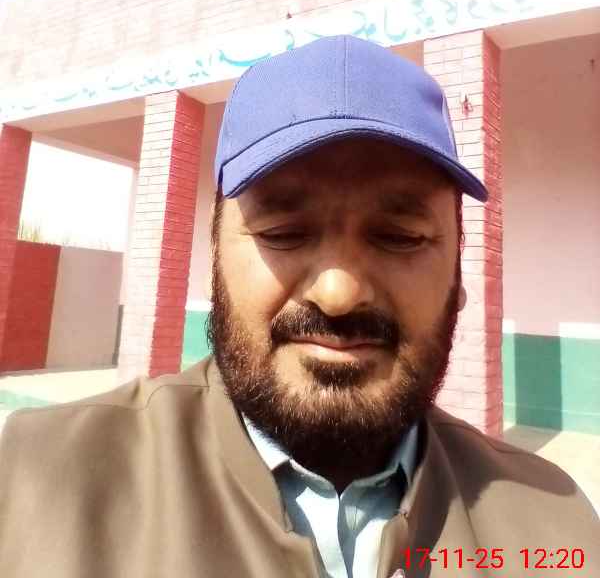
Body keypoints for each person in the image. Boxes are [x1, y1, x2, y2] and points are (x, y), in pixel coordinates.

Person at [0, 34, 598, 578]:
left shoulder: (555, 526)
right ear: (215, 261)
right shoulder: (37, 483)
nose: (337, 293)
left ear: (458, 275)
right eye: (283, 233)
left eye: (400, 237)